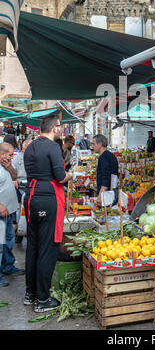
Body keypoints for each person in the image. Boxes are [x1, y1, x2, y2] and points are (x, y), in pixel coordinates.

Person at [23, 114, 73, 312]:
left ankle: (31, 293)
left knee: (33, 247)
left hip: (31, 198)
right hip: (47, 198)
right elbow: (60, 177)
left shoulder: (31, 146)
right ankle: (43, 300)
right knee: (47, 248)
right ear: (54, 128)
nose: (60, 129)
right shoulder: (52, 146)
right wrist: (70, 175)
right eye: (59, 126)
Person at [0, 142, 25, 288]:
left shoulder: (5, 165)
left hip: (9, 212)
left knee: (9, 242)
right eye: (10, 155)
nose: (12, 157)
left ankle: (8, 267)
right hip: (1, 211)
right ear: (2, 154)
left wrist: (9, 166)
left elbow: (15, 175)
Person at [91, 135, 119, 207]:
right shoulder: (109, 155)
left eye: (93, 144)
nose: (92, 146)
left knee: (106, 216)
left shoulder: (104, 157)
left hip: (107, 196)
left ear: (100, 144)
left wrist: (100, 196)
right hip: (111, 192)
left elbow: (106, 179)